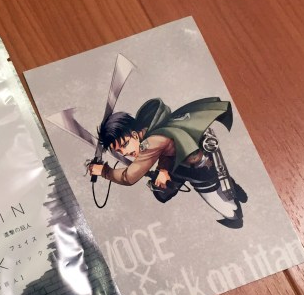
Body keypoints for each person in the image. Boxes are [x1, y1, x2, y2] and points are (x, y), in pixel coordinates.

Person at [89, 97, 247, 228]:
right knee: (162, 193)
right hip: (180, 162)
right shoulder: (152, 128)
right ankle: (231, 189)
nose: (124, 153)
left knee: (231, 214)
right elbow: (168, 145)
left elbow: (128, 177)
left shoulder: (151, 142)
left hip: (199, 169)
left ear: (135, 135)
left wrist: (104, 171)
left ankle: (234, 205)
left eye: (124, 145)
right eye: (119, 150)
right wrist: (163, 170)